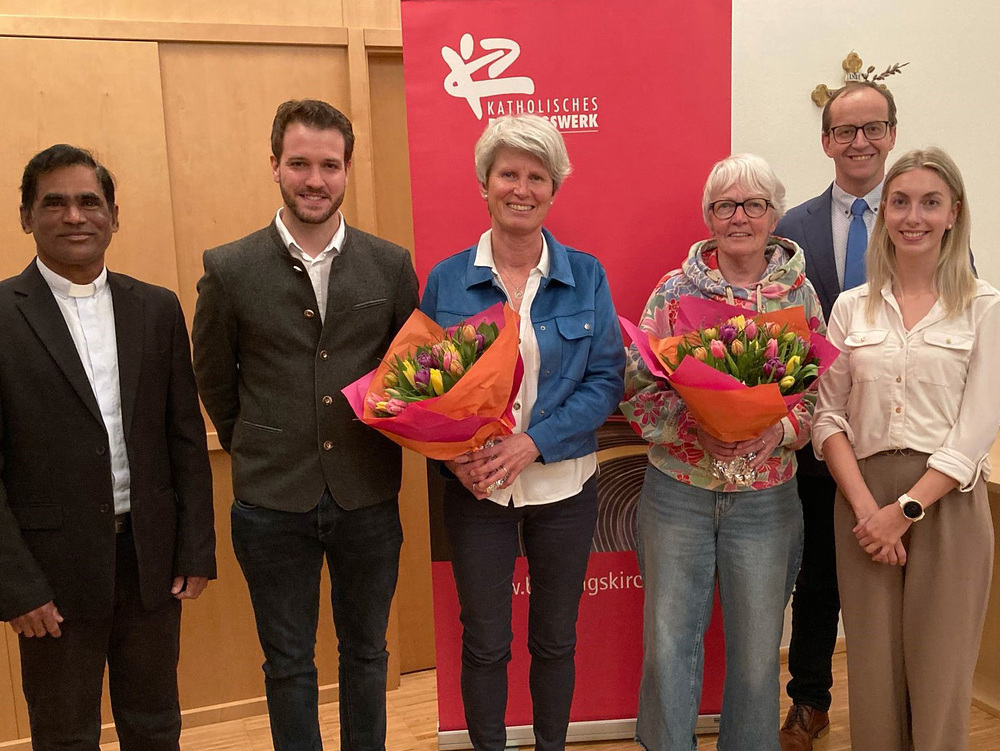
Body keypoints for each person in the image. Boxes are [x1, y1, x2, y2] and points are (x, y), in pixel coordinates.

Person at [192, 99, 418, 751]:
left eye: (328, 164)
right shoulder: (229, 267)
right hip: (270, 501)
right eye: (299, 163)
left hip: (367, 494)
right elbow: (215, 378)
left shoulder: (389, 264)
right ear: (274, 166)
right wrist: (253, 441)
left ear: (346, 170)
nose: (314, 179)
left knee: (366, 654)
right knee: (288, 665)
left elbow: (407, 370)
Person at [419, 113, 624, 751]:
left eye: (538, 176)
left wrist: (533, 441)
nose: (522, 188)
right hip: (477, 491)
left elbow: (605, 380)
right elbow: (419, 387)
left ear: (553, 190)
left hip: (564, 486)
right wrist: (456, 460)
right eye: (509, 173)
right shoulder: (448, 279)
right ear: (485, 182)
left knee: (555, 641)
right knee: (484, 643)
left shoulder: (585, 275)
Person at [0, 144, 216, 750]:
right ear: (26, 217)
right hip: (51, 573)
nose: (75, 216)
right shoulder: (1, 317)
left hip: (148, 561)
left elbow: (183, 437)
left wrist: (194, 549)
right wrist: (15, 587)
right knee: (64, 733)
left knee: (154, 724)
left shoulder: (155, 308)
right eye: (55, 203)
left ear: (113, 216)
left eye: (89, 202)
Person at [621, 154, 825, 751]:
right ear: (708, 216)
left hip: (766, 501)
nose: (738, 217)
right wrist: (693, 429)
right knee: (667, 647)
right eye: (724, 206)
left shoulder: (802, 294)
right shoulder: (673, 292)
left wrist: (781, 431)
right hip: (678, 494)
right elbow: (636, 391)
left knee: (759, 655)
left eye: (753, 204)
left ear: (773, 214)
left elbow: (819, 395)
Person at [812, 147, 998, 751]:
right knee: (872, 673)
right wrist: (869, 510)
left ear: (953, 214)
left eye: (930, 202)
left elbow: (974, 433)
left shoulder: (984, 307)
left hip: (946, 507)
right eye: (900, 201)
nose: (913, 216)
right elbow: (827, 415)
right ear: (884, 212)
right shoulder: (851, 306)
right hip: (862, 507)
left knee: (941, 674)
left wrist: (906, 510)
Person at [773, 80, 897, 750]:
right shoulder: (790, 228)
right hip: (819, 439)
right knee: (817, 578)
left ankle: (902, 701)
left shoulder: (922, 215)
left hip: (903, 436)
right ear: (825, 142)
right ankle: (810, 701)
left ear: (892, 135)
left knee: (902, 578)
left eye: (872, 128)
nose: (859, 142)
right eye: (846, 131)